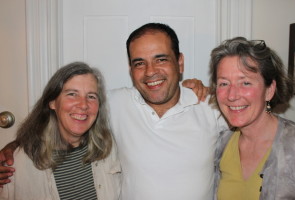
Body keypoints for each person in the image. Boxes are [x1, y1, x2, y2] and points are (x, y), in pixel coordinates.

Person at [0, 23, 227, 200]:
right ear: (131, 70)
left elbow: (255, 129)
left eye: (161, 59)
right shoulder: (115, 104)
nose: (150, 72)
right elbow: (71, 115)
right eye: (139, 63)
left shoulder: (209, 105)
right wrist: (15, 147)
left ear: (180, 62)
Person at [0, 62, 121, 199]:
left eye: (91, 96)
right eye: (72, 94)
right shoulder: (20, 164)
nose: (83, 105)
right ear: (52, 102)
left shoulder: (109, 148)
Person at [209, 37, 295, 199]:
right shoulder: (222, 144)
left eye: (245, 83)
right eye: (224, 83)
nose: (232, 95)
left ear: (269, 90)